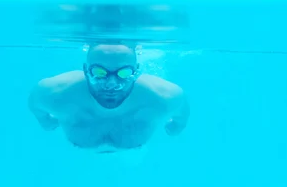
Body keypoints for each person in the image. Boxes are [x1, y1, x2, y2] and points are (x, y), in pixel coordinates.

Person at [28, 43, 190, 153]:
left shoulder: (165, 97)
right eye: (99, 72)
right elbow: (35, 105)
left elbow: (181, 118)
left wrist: (47, 122)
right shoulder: (54, 92)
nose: (112, 84)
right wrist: (44, 120)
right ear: (85, 70)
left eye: (124, 73)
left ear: (137, 71)